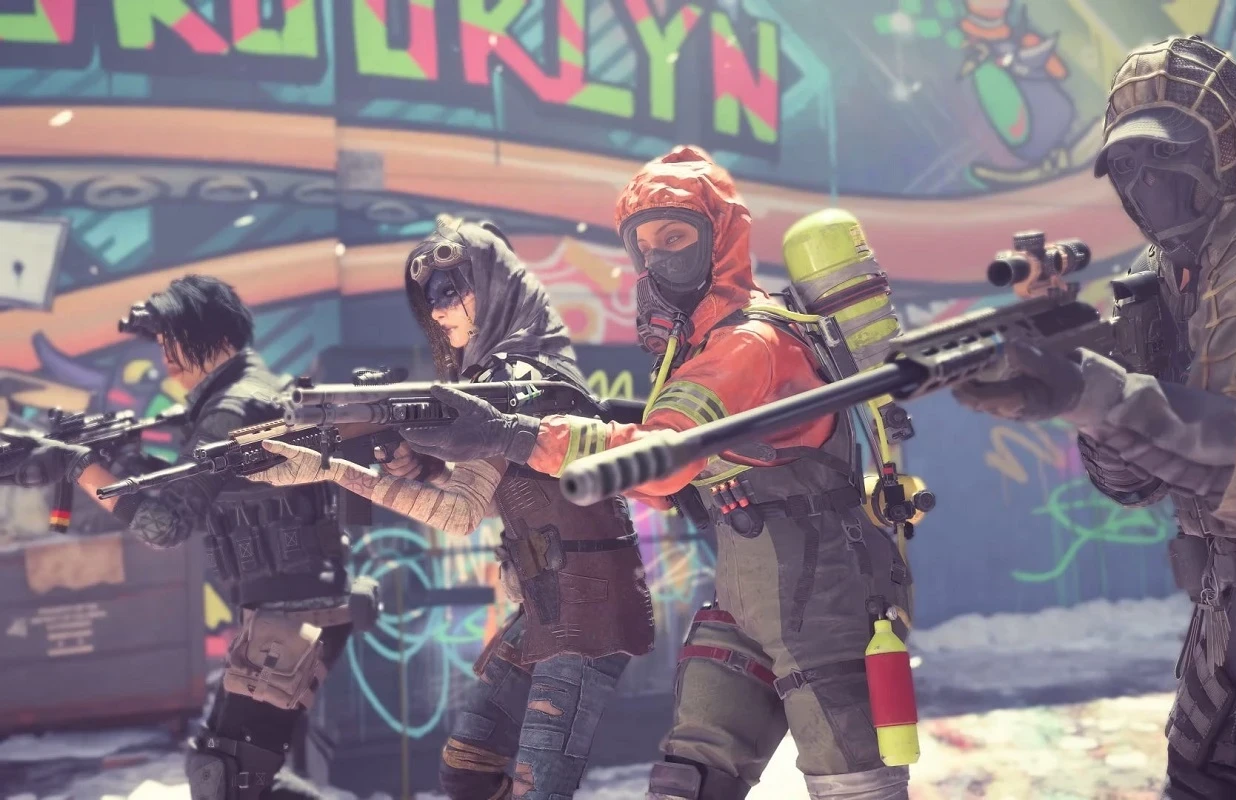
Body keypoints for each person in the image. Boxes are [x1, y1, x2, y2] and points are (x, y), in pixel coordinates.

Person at [951, 35, 1236, 798]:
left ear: (1234, 142)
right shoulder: (1176, 270)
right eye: (1129, 165)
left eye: (1169, 154)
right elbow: (1133, 482)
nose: (1149, 183)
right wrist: (1079, 374)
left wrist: (1088, 390)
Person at [393, 150, 915, 800]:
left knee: (855, 788)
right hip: (746, 600)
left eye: (675, 238)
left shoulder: (748, 343)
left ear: (720, 238)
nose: (657, 260)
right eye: (644, 245)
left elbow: (665, 457)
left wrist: (514, 435)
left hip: (823, 600)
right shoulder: (701, 345)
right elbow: (674, 466)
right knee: (685, 784)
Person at [247, 217, 655, 800]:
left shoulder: (518, 378)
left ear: (492, 286)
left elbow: (460, 515)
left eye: (450, 292)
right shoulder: (513, 371)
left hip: (588, 611)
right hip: (549, 603)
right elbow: (509, 496)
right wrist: (424, 468)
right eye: (431, 300)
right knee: (468, 772)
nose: (438, 313)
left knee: (536, 788)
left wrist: (335, 470)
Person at [0, 275, 358, 800]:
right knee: (234, 771)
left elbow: (165, 526)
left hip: (293, 614)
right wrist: (122, 459)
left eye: (177, 338)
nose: (166, 353)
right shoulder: (246, 391)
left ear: (217, 336)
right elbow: (207, 493)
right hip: (290, 607)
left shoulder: (233, 408)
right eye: (162, 340)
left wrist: (80, 468)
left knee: (227, 774)